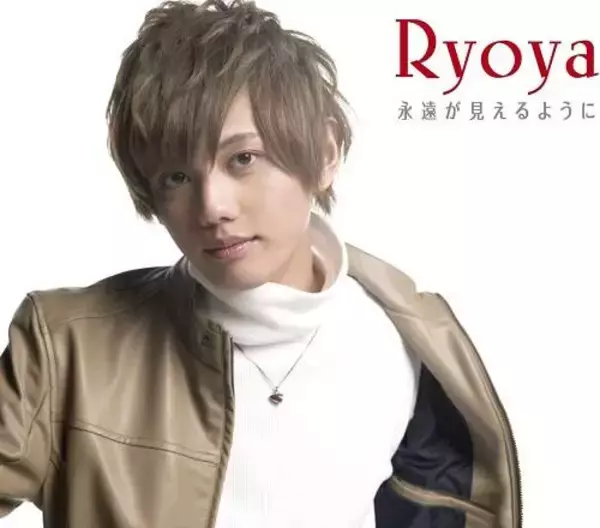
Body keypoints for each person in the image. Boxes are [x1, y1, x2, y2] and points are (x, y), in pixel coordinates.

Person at [0, 1, 521, 527]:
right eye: (177, 177)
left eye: (242, 159)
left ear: (326, 152)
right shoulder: (66, 348)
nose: (212, 207)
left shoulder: (409, 341)